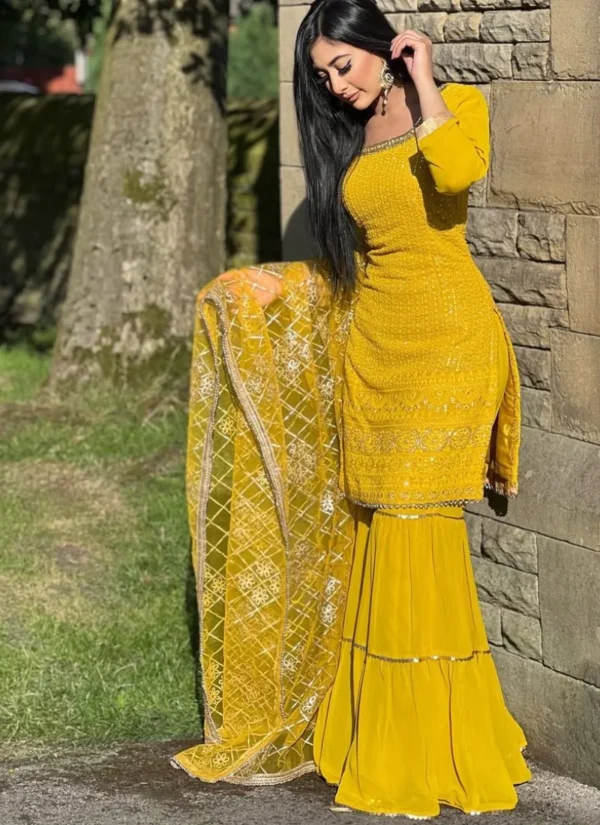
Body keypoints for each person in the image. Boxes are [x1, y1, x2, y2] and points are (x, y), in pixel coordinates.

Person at [171, 0, 532, 817]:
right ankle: (385, 735)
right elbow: (355, 261)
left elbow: (456, 174)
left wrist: (424, 78)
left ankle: (427, 751)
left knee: (414, 525)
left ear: (384, 46)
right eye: (322, 76)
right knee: (380, 529)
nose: (335, 86)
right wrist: (269, 285)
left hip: (448, 344)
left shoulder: (455, 106)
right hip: (377, 349)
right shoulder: (349, 137)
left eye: (344, 64)